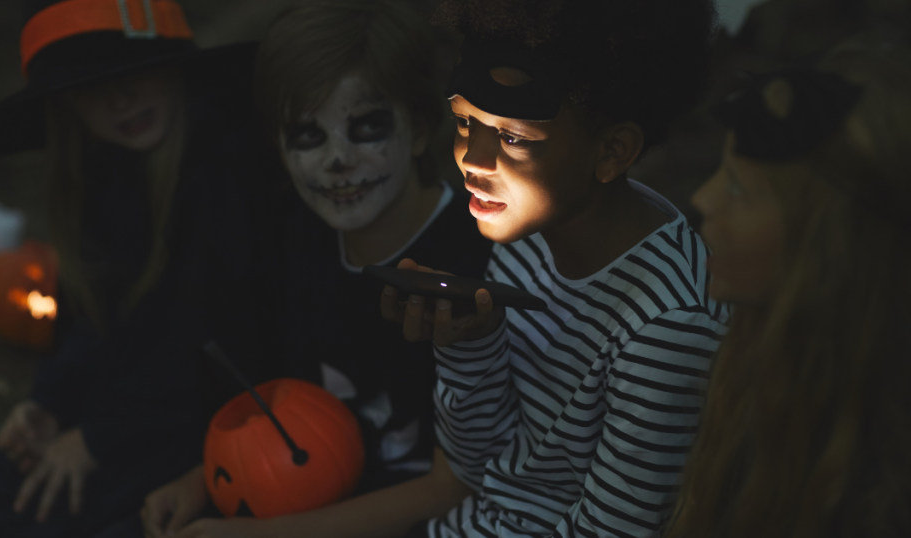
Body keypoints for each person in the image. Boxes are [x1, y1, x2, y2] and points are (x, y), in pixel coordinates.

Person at [147, 0, 728, 537]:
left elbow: (609, 529)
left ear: (612, 151)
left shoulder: (666, 325)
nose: (472, 162)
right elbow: (483, 468)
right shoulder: (525, 229)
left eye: (513, 138)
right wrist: (469, 346)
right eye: (467, 124)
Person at [139, 2, 494, 536]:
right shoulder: (298, 240)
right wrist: (208, 479)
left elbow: (453, 486)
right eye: (308, 135)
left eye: (367, 127)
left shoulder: (474, 261)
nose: (337, 159)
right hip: (317, 489)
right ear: (279, 149)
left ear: (420, 129)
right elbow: (298, 405)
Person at [0, 1, 274, 536]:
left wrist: (100, 439)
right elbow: (96, 318)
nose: (119, 98)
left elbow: (220, 335)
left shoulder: (229, 165)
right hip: (129, 402)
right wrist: (49, 401)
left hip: (219, 418)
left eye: (134, 73)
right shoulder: (100, 172)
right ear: (66, 104)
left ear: (172, 66)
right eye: (92, 86)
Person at [665, 38, 911, 538]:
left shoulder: (882, 489)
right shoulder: (756, 368)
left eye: (738, 187)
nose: (703, 198)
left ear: (832, 241)